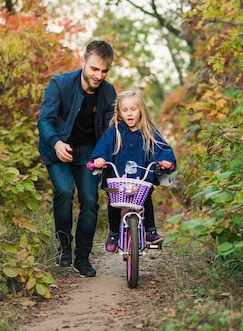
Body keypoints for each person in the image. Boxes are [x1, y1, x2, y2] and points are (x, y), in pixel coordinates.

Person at [37, 40, 117, 277]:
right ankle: (64, 246)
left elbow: (109, 129)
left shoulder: (109, 92)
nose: (99, 75)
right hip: (57, 147)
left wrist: (108, 155)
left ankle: (82, 257)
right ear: (83, 62)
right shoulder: (59, 84)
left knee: (90, 201)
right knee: (63, 191)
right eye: (94, 69)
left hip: (88, 152)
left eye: (104, 71)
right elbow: (45, 119)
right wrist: (56, 142)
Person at [90, 90, 176, 253]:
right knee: (113, 199)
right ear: (119, 113)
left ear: (141, 110)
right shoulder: (114, 132)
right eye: (125, 110)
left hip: (140, 179)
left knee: (146, 197)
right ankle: (114, 233)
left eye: (133, 109)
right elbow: (102, 148)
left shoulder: (149, 132)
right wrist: (99, 159)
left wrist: (166, 161)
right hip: (117, 179)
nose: (129, 113)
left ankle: (150, 230)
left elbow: (163, 149)